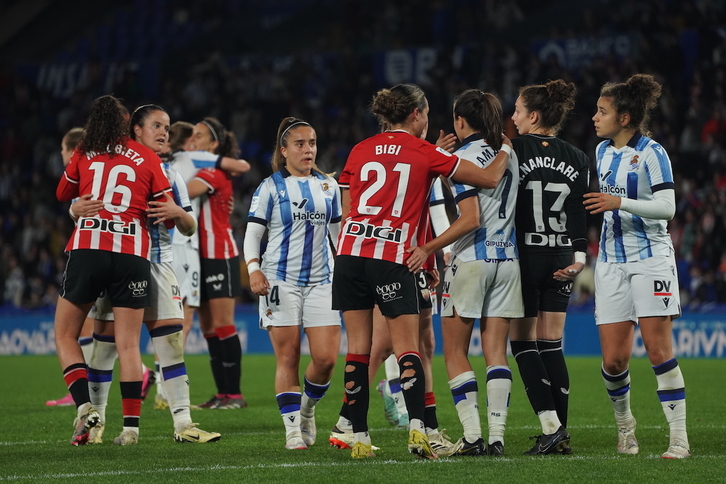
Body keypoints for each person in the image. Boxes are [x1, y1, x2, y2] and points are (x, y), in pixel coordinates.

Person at [332, 83, 514, 459]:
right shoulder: (424, 151)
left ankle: (359, 437)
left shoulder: (359, 149)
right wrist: (508, 146)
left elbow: (348, 211)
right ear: (416, 114)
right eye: (427, 115)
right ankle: (419, 432)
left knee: (357, 352)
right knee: (408, 349)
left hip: (349, 253)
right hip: (392, 256)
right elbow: (489, 178)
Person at [81, 105, 220, 445]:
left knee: (171, 345)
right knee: (104, 350)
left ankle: (184, 425)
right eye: (156, 126)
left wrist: (176, 212)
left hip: (158, 265)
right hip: (118, 264)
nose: (163, 132)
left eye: (167, 127)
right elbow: (89, 212)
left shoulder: (171, 174)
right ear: (136, 131)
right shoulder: (116, 167)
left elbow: (187, 227)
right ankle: (96, 426)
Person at [410, 89, 522, 457]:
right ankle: (497, 439)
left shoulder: (462, 159)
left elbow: (471, 219)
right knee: (496, 353)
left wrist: (428, 247)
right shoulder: (509, 155)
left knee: (455, 351)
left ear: (460, 121)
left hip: (472, 261)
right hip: (508, 262)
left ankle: (473, 438)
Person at [54, 94, 171, 445]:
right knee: (129, 345)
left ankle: (85, 406)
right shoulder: (148, 157)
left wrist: (79, 204)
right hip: (132, 253)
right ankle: (131, 429)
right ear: (127, 124)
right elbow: (164, 207)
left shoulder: (83, 151)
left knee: (65, 335)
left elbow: (63, 193)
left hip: (89, 246)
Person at [585, 73, 688, 459]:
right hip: (610, 262)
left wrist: (620, 203)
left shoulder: (652, 153)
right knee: (613, 360)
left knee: (659, 351)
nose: (594, 117)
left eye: (602, 111)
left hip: (651, 261)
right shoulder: (602, 152)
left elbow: (667, 208)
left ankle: (678, 438)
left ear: (625, 118)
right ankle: (625, 428)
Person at [243, 117, 342, 450]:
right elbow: (253, 233)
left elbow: (337, 235)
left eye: (312, 143)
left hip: (322, 281)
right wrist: (254, 269)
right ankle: (291, 432)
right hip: (279, 281)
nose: (308, 149)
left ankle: (307, 410)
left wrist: (347, 270)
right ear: (284, 151)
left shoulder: (329, 186)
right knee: (287, 359)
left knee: (326, 359)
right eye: (300, 144)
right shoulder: (270, 186)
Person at [506, 79, 589, 455]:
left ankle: (550, 426)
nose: (513, 117)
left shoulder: (511, 150)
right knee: (552, 344)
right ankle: (562, 432)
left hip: (525, 257)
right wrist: (580, 258)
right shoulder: (577, 156)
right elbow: (578, 212)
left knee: (523, 343)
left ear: (534, 115)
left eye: (519, 110)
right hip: (562, 259)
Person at [185, 117, 246, 410]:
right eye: (191, 135)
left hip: (220, 255)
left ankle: (234, 395)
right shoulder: (199, 170)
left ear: (213, 145)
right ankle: (221, 393)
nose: (192, 140)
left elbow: (180, 193)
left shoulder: (212, 172)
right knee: (208, 327)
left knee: (223, 325)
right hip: (200, 258)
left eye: (198, 136)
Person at [45, 127, 95, 407]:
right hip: (120, 256)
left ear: (72, 149)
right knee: (103, 335)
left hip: (88, 255)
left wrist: (72, 211)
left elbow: (74, 208)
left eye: (64, 150)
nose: (62, 155)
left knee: (73, 333)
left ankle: (82, 397)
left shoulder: (83, 173)